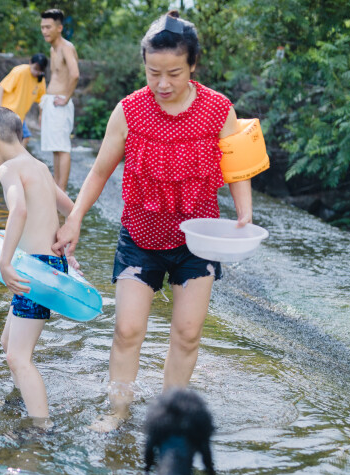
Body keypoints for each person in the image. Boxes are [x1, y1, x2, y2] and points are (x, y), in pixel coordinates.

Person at [53, 10, 254, 431]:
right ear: (144, 65)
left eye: (174, 73)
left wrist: (244, 213)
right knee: (127, 330)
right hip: (140, 236)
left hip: (197, 241)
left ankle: (166, 416)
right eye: (153, 72)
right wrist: (74, 220)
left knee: (186, 334)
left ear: (193, 65)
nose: (162, 84)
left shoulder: (219, 109)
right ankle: (117, 411)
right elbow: (99, 172)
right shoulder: (129, 110)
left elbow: (238, 167)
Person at [0, 106, 76, 425]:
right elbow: (70, 208)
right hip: (49, 265)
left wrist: (5, 262)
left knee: (18, 357)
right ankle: (24, 398)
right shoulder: (39, 167)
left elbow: (17, 211)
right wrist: (66, 250)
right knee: (8, 344)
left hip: (34, 270)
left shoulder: (8, 169)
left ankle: (41, 429)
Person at [39, 8, 79, 192]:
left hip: (60, 103)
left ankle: (61, 189)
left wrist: (66, 98)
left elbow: (75, 74)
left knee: (62, 147)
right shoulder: (53, 49)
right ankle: (57, 186)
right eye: (42, 27)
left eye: (48, 27)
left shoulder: (66, 48)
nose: (45, 31)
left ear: (59, 28)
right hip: (51, 103)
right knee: (55, 147)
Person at [0, 54, 48, 149]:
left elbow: (42, 100)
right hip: (5, 111)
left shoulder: (41, 80)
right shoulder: (20, 71)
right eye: (35, 69)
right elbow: (2, 86)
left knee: (25, 137)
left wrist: (41, 115)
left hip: (18, 115)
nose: (37, 72)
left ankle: (15, 161)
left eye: (39, 70)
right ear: (30, 63)